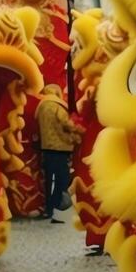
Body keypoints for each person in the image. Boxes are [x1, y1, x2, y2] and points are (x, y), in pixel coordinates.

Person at [35, 84, 82, 224]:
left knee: (49, 180)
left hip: (47, 147)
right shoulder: (57, 106)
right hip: (61, 148)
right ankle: (57, 208)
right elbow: (67, 124)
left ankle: (48, 209)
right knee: (62, 180)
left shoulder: (41, 107)